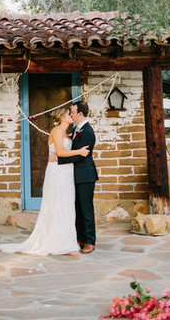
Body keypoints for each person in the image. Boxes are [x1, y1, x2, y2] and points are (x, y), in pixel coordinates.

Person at [0, 106, 90, 256]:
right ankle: (59, 244)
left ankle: (67, 242)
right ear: (61, 117)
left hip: (66, 172)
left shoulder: (67, 134)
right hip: (57, 173)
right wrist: (79, 151)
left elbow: (61, 154)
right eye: (69, 114)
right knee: (58, 205)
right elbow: (59, 152)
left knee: (67, 206)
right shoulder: (57, 131)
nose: (71, 115)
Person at [58, 100, 98, 254]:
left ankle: (90, 241)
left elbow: (82, 156)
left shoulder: (87, 132)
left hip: (86, 176)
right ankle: (80, 238)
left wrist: (59, 159)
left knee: (86, 209)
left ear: (80, 114)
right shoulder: (77, 129)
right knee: (78, 208)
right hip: (76, 176)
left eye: (73, 112)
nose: (71, 115)